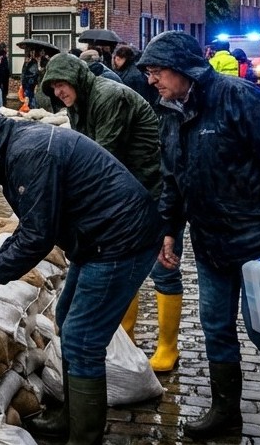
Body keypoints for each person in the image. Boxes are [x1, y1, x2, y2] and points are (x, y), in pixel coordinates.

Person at [136, 31, 260, 445]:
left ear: (185, 68)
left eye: (158, 71)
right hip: (210, 244)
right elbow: (172, 179)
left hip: (257, 241)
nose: (152, 81)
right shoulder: (170, 112)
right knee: (215, 327)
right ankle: (224, 409)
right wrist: (168, 230)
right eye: (148, 73)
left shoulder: (240, 99)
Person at [0, 107, 160, 445]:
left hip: (120, 241)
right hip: (96, 241)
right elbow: (34, 221)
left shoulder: (28, 153)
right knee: (64, 316)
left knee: (82, 339)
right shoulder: (18, 150)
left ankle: (85, 437)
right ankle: (70, 416)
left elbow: (39, 237)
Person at [40, 51, 175, 371]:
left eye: (62, 84)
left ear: (76, 77)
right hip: (122, 197)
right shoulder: (80, 104)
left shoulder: (108, 97)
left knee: (162, 268)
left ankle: (168, 346)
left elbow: (100, 157)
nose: (59, 92)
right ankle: (124, 338)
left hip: (152, 193)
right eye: (53, 88)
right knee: (123, 273)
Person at [16, 41, 41, 109]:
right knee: (27, 97)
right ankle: (29, 107)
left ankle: (31, 108)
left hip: (30, 83)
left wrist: (27, 77)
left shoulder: (34, 62)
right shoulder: (27, 62)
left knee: (29, 96)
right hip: (26, 82)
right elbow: (24, 71)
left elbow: (33, 73)